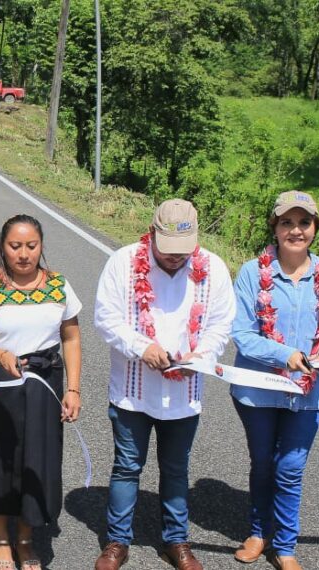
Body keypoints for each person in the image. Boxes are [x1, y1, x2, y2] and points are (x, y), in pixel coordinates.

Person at [93, 199, 235, 570]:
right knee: (127, 466)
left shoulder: (214, 269)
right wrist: (143, 347)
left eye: (182, 252)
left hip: (183, 393)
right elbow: (106, 318)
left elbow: (221, 325)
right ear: (152, 233)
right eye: (167, 250)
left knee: (176, 468)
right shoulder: (123, 262)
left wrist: (201, 356)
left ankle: (176, 540)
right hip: (133, 389)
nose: (175, 258)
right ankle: (117, 541)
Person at [228, 191, 319, 570]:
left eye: (304, 222)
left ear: (315, 228)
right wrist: (284, 355)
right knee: (263, 463)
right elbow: (243, 332)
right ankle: (257, 532)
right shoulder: (254, 272)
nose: (296, 230)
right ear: (275, 227)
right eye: (287, 222)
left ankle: (285, 546)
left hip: (309, 392)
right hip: (260, 390)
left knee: (290, 468)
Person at [0, 214, 83, 570]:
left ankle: (26, 539)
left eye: (32, 246)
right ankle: (0, 539)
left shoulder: (59, 284)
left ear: (41, 247)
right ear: (3, 247)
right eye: (15, 246)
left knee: (37, 460)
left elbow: (71, 338)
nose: (24, 254)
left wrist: (72, 389)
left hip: (44, 383)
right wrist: (0, 355)